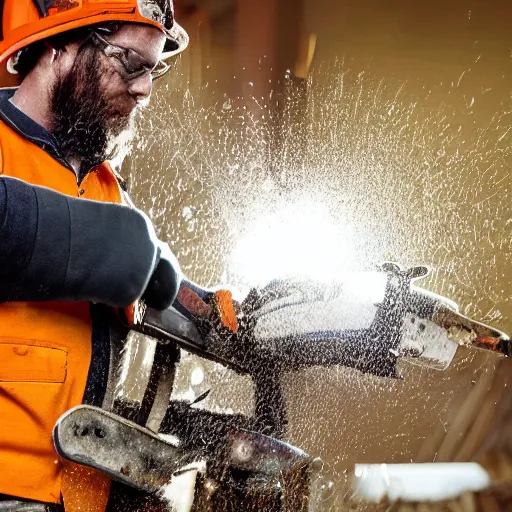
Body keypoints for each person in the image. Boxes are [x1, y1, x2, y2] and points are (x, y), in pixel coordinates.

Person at [0, 1, 190, 509]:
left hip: (82, 493)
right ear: (60, 43)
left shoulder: (107, 188)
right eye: (130, 64)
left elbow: (151, 273)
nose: (144, 90)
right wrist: (106, 243)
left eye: (154, 71)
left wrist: (220, 310)